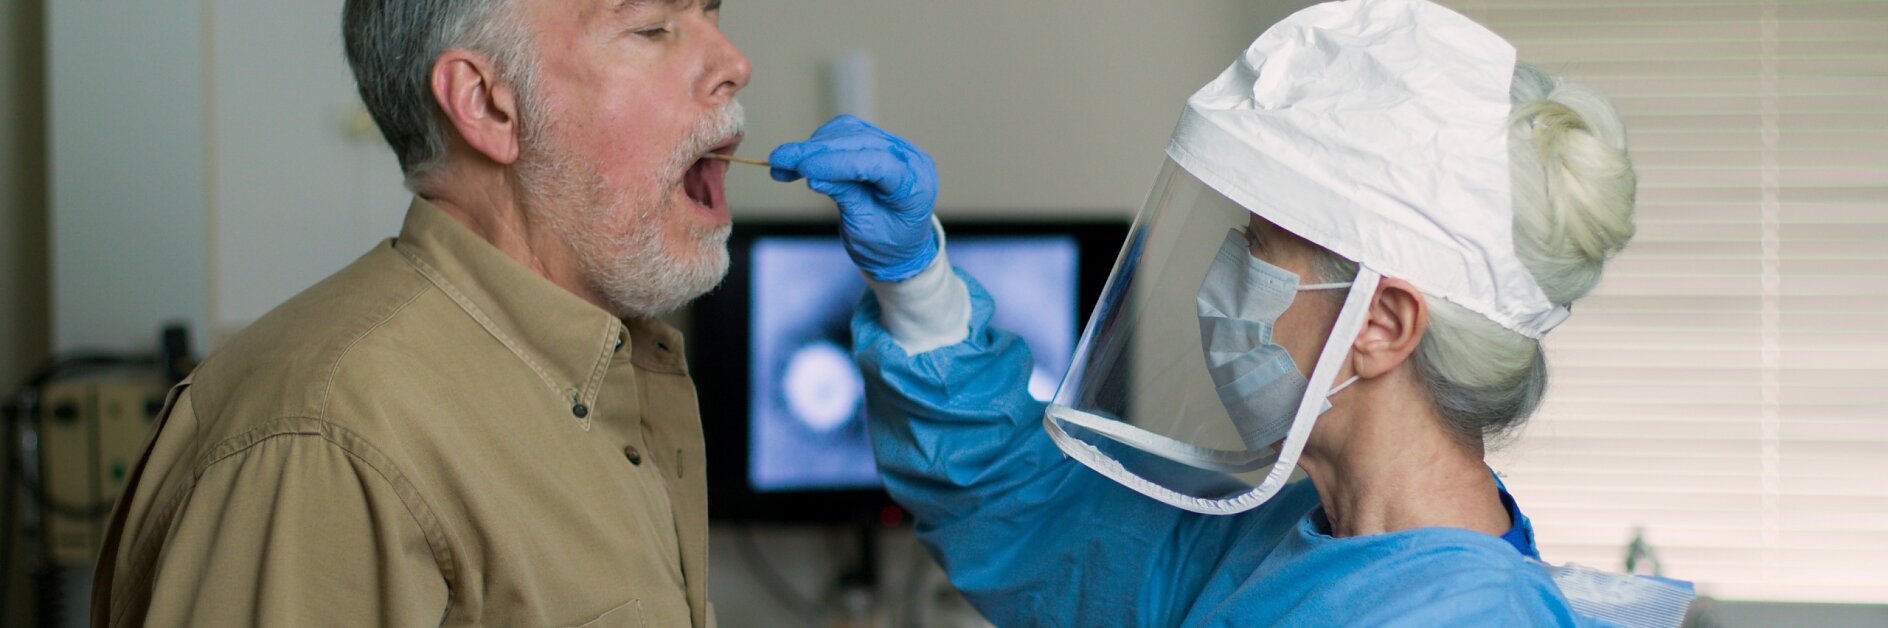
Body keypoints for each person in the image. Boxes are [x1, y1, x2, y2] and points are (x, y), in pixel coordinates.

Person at [771, 0, 1693, 625]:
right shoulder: (1272, 540)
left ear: (1382, 326)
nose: (1220, 280)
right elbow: (1025, 513)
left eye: (1257, 246)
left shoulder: (1455, 614)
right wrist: (915, 279)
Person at [92, 0, 747, 625]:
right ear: (487, 104)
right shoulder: (323, 441)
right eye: (653, 28)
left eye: (711, 12)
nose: (734, 64)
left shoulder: (606, 373)